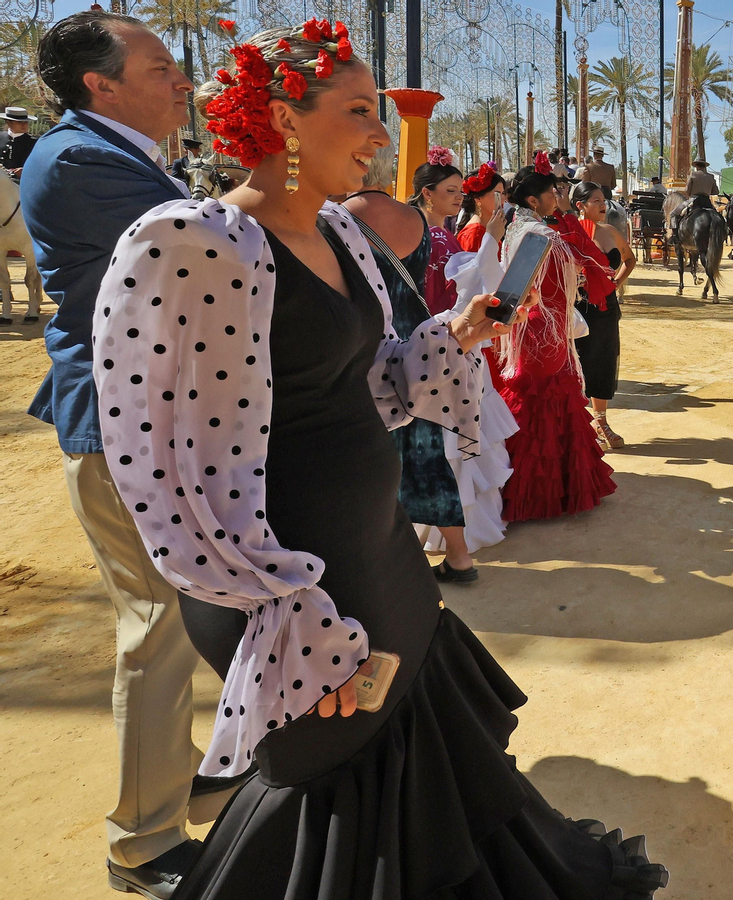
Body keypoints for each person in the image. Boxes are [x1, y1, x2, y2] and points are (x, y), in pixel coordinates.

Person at [93, 25, 665, 897]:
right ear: (283, 118)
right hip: (291, 582)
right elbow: (168, 467)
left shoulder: (341, 233)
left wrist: (459, 332)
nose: (381, 136)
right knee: (328, 788)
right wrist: (285, 611)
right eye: (360, 111)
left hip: (379, 552)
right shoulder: (193, 241)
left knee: (418, 769)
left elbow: (376, 389)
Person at [22, 12, 241, 895]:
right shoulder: (78, 161)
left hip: (161, 422)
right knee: (157, 631)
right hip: (125, 428)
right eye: (160, 68)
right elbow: (211, 255)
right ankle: (142, 844)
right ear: (100, 86)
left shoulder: (119, 154)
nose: (183, 81)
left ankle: (173, 779)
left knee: (176, 624)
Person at [349, 149, 507, 586]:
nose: (457, 198)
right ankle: (457, 556)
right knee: (427, 455)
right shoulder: (422, 226)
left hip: (374, 350)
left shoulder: (340, 218)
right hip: (427, 347)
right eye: (451, 190)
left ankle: (389, 560)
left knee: (379, 460)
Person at [495, 156, 620, 519]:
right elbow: (578, 267)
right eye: (551, 192)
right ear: (533, 200)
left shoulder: (516, 229)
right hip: (545, 328)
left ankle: (527, 487)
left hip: (532, 324)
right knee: (545, 401)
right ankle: (542, 492)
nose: (556, 196)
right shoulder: (541, 234)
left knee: (535, 398)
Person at [573, 180, 638, 447]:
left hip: (606, 308)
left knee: (603, 363)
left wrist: (614, 284)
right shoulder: (569, 234)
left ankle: (601, 423)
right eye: (596, 201)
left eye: (604, 200)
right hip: (577, 308)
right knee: (577, 365)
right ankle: (578, 426)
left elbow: (629, 259)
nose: (603, 205)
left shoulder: (610, 231)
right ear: (580, 205)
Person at [409, 149, 466, 314]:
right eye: (451, 190)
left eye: (460, 191)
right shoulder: (431, 237)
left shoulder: (443, 232)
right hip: (438, 326)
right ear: (427, 193)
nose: (460, 196)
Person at [453, 162, 507, 253]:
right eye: (497, 194)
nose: (503, 199)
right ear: (478, 199)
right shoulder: (474, 233)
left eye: (503, 194)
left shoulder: (487, 228)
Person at [1, 105, 38, 180]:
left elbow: (39, 165)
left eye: (26, 122)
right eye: (19, 122)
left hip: (22, 183)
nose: (24, 125)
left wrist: (25, 170)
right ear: (9, 123)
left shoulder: (34, 142)